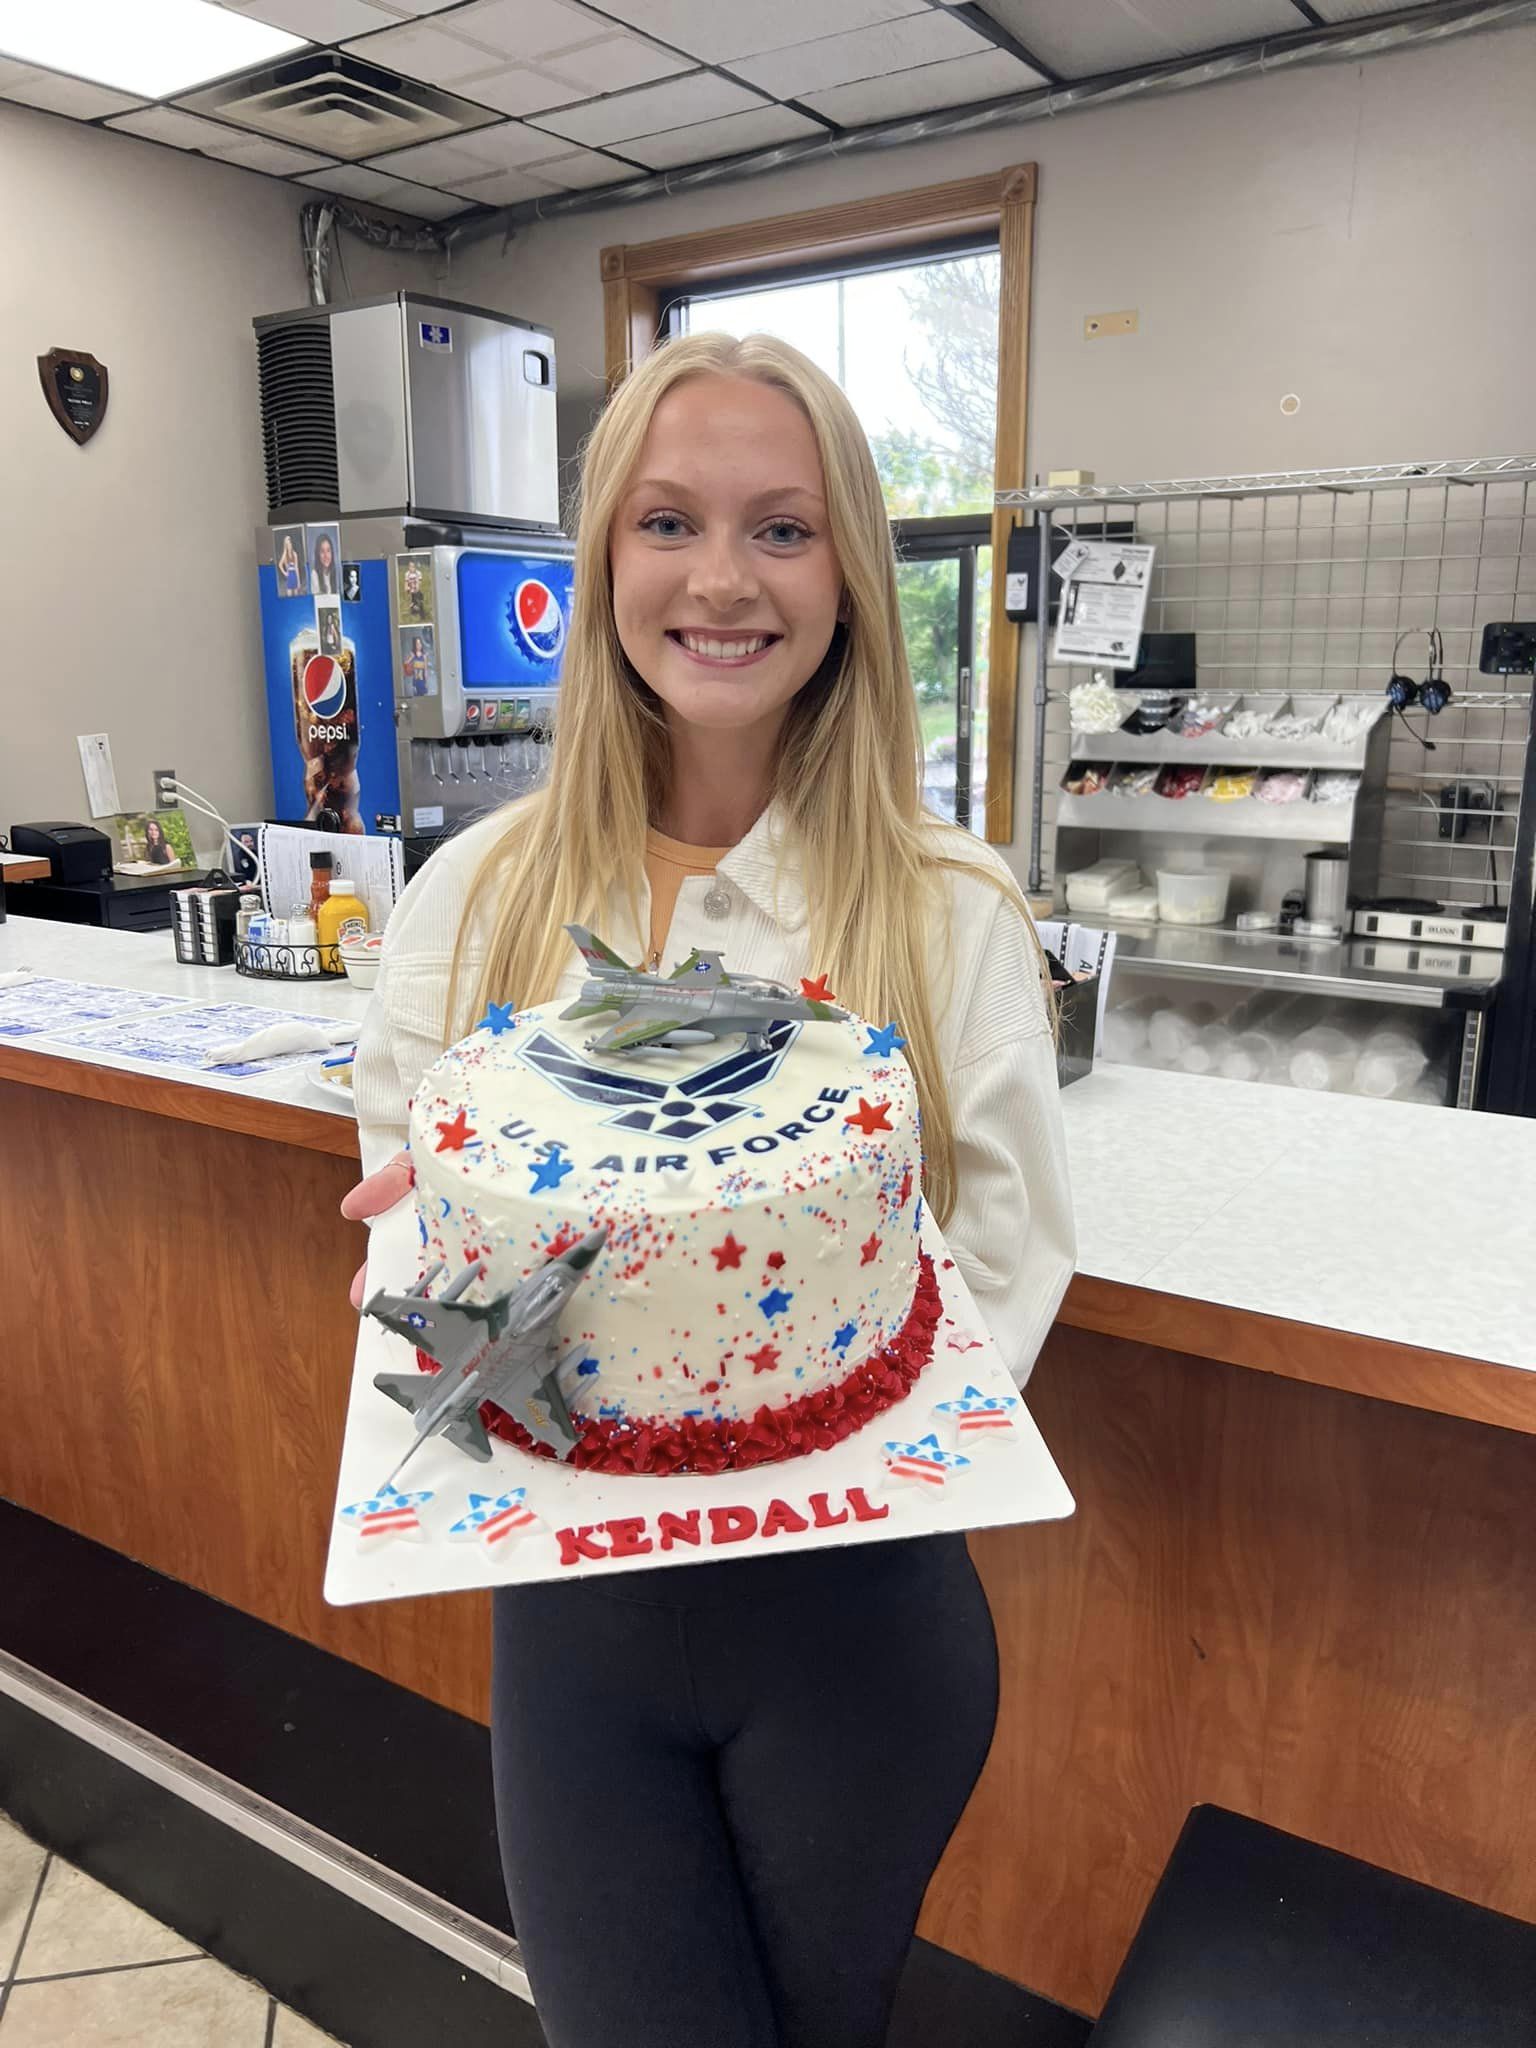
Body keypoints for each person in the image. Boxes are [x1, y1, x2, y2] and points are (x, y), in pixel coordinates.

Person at [344, 332, 1074, 2048]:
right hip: (574, 1625)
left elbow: (1002, 1258)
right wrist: (423, 1265)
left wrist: (793, 1401)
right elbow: (416, 1219)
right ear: (603, 560)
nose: (722, 580)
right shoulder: (477, 895)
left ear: (851, 576)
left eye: (783, 529)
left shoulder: (951, 908)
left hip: (858, 1627)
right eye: (668, 521)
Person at [276, 531, 304, 597]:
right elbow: (280, 564)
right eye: (287, 543)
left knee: (296, 595)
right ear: (285, 544)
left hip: (294, 576)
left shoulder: (294, 554)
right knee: (289, 595)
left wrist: (298, 581)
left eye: (290, 542)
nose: (289, 545)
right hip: (289, 577)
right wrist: (285, 573)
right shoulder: (285, 555)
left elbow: (296, 568)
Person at [312, 532, 338, 596]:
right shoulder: (314, 574)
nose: (326, 555)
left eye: (328, 551)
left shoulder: (334, 572)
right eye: (322, 551)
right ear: (318, 554)